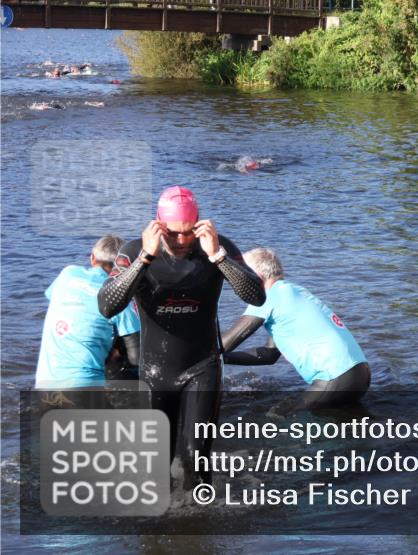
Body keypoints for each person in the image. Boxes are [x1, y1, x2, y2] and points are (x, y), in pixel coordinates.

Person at [97, 186, 265, 489]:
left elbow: (256, 295)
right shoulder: (136, 251)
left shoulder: (216, 246)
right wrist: (145, 258)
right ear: (159, 224)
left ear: (199, 223)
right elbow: (108, 304)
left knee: (194, 464)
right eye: (173, 233)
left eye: (188, 232)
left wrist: (218, 256)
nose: (181, 241)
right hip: (154, 372)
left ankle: (200, 528)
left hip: (202, 367)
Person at [222, 248, 370, 411]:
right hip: (360, 374)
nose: (239, 280)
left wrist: (196, 347)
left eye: (243, 273)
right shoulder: (293, 291)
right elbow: (269, 354)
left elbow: (224, 344)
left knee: (283, 419)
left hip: (335, 377)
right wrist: (224, 358)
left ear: (257, 275)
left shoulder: (268, 298)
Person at [35, 236, 141, 390]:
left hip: (44, 384)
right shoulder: (118, 300)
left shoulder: (67, 274)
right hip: (85, 387)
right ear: (124, 266)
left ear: (92, 258)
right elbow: (136, 357)